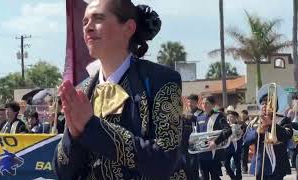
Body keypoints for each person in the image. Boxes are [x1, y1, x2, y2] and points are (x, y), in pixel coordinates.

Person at [52, 0, 185, 179]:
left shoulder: (160, 80)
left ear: (128, 28)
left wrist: (91, 126)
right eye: (85, 22)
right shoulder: (81, 92)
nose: (88, 28)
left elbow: (164, 160)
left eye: (98, 19)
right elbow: (63, 173)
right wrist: (74, 135)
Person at [243, 94, 292, 180]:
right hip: (260, 164)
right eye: (262, 104)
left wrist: (271, 125)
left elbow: (288, 134)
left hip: (278, 165)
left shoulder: (283, 120)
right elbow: (246, 141)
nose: (264, 106)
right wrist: (257, 132)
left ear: (275, 107)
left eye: (267, 104)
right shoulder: (255, 122)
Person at [196, 96, 232, 180]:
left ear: (212, 105)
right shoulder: (199, 117)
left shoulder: (219, 116)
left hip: (214, 154)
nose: (204, 105)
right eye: (203, 103)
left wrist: (215, 142)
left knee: (215, 177)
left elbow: (228, 131)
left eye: (207, 103)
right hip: (202, 154)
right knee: (204, 177)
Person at [181, 94, 202, 180]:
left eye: (192, 102)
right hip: (184, 145)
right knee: (185, 168)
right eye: (188, 102)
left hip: (196, 145)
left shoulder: (201, 114)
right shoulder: (184, 114)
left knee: (194, 167)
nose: (190, 104)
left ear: (197, 103)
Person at [225, 111, 243, 180]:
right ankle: (233, 177)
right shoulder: (226, 126)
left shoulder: (239, 126)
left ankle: (238, 177)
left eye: (232, 117)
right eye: (229, 117)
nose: (230, 118)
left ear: (236, 118)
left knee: (237, 164)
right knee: (226, 164)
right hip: (227, 148)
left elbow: (239, 136)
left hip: (236, 148)